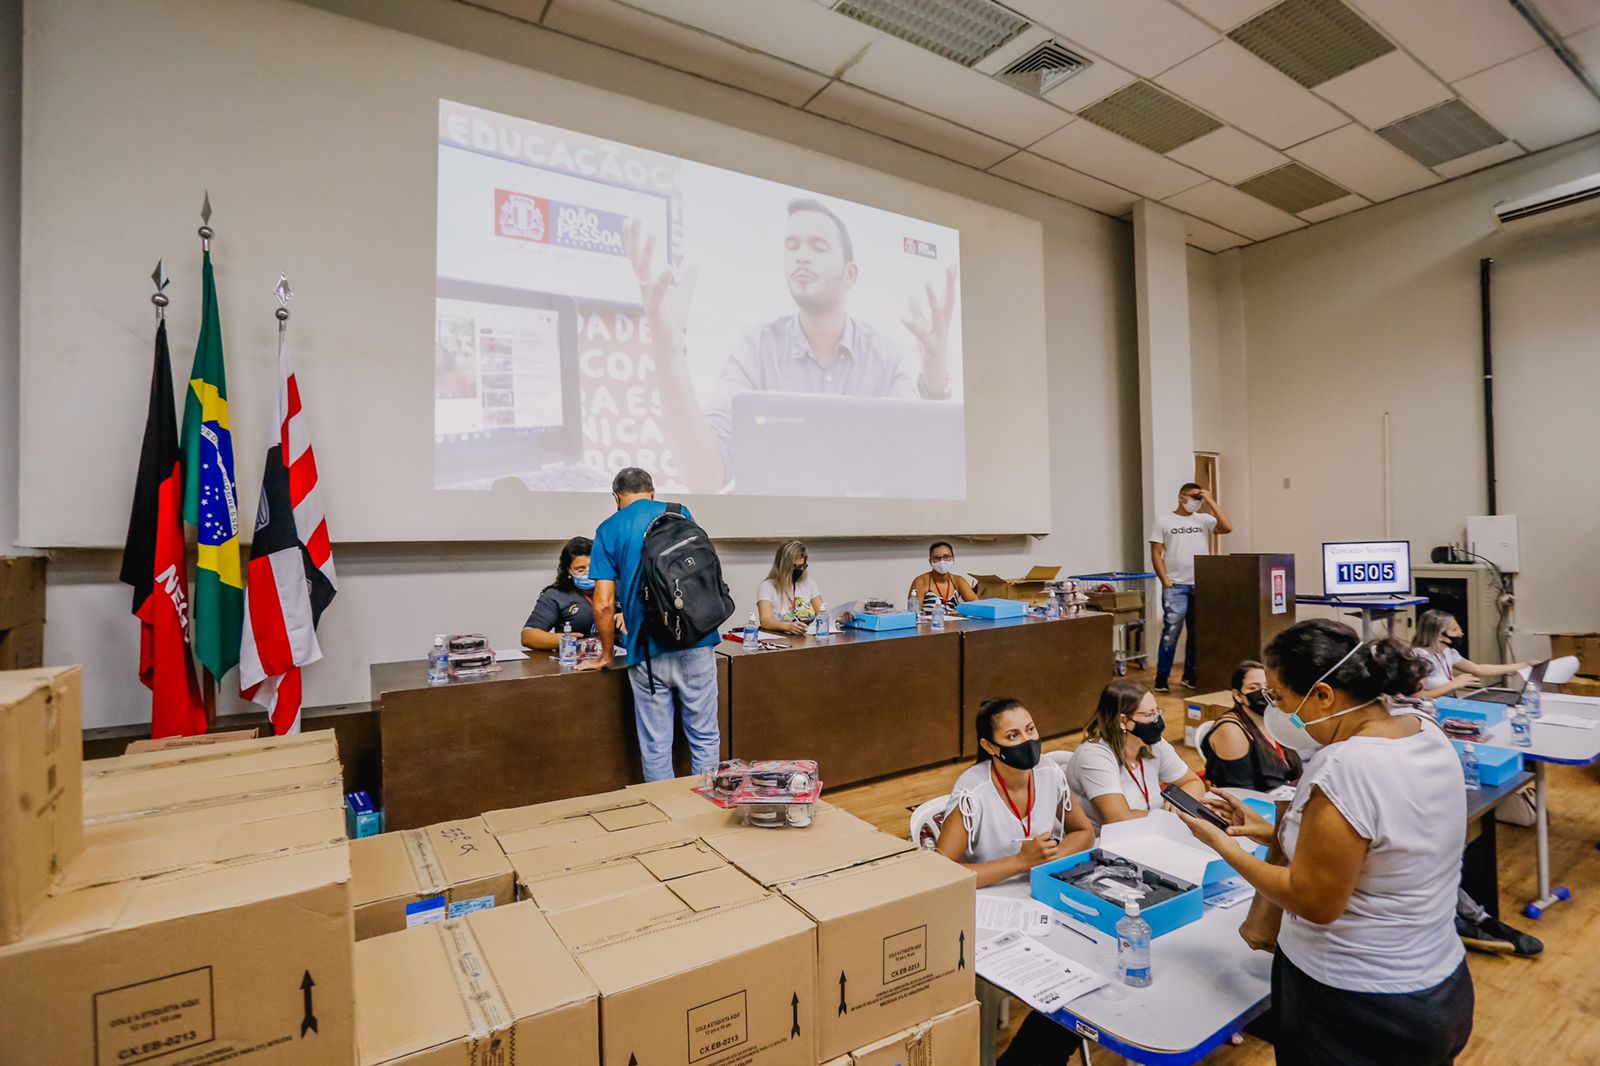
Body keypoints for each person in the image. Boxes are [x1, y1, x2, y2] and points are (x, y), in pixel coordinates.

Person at [1169, 620, 1474, 1065]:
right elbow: (1383, 845)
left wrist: (1222, 845)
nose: (1275, 709)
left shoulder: (1346, 765)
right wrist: (1270, 831)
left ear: (1324, 695)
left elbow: (1314, 900)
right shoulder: (1423, 730)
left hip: (1356, 1005)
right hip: (1437, 983)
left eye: (1279, 696)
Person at [625, 198, 958, 492]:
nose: (801, 257)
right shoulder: (756, 350)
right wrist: (669, 352)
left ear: (850, 274)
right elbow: (706, 477)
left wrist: (934, 374)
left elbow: (920, 463)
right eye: (792, 246)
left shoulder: (886, 357)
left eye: (818, 247)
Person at [935, 697, 1095, 1066]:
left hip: (1040, 898)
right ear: (990, 747)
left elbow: (1084, 832)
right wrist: (1020, 862)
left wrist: (1050, 856)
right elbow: (943, 872)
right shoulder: (974, 790)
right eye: (1013, 736)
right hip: (990, 911)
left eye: (1030, 730)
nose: (1027, 741)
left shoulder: (1050, 773)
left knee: (1083, 961)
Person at [579, 468, 721, 781]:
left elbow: (603, 603)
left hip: (646, 648)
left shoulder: (609, 528)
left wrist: (605, 654)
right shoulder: (679, 512)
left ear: (616, 497)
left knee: (657, 745)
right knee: (705, 736)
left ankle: (664, 810)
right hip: (697, 639)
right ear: (652, 492)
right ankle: (706, 806)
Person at [1064, 679, 1205, 832]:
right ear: (1123, 721)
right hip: (1109, 840)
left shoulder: (1152, 744)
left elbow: (1194, 782)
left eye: (1157, 712)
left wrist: (1180, 803)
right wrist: (1168, 816)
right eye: (1149, 714)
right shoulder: (1093, 756)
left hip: (1153, 831)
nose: (1157, 720)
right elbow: (1119, 819)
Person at [1149, 482, 1232, 693]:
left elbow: (1227, 527)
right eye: (1194, 497)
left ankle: (1190, 676)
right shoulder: (1164, 520)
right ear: (1181, 497)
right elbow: (1156, 553)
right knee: (1171, 632)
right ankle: (1162, 678)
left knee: (1196, 634)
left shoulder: (1203, 519)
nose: (1197, 501)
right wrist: (1164, 580)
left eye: (1200, 498)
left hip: (1200, 584)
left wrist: (1210, 500)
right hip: (1175, 586)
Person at [1201, 659, 1303, 791]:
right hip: (1253, 801)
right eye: (1253, 688)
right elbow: (1241, 791)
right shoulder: (1231, 731)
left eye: (1268, 687)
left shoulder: (1274, 721)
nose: (1263, 692)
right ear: (1238, 696)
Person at [519, 536, 621, 652]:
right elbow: (528, 636)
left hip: (620, 655)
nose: (590, 574)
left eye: (594, 568)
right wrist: (567, 640)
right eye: (580, 570)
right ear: (569, 571)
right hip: (576, 656)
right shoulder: (556, 595)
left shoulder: (620, 587)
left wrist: (629, 617)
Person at [1412, 609, 1532, 700]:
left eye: (1459, 628)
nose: (1460, 633)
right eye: (1454, 630)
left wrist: (1524, 665)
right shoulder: (1421, 658)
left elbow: (1478, 669)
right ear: (1439, 636)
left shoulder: (1448, 652)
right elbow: (1418, 696)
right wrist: (1453, 684)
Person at [756, 540, 823, 636]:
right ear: (783, 566)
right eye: (794, 567)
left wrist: (839, 619)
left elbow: (822, 613)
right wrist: (787, 626)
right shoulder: (767, 586)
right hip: (780, 638)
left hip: (806, 638)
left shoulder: (809, 582)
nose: (798, 571)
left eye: (801, 566)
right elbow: (765, 621)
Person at [908, 541, 978, 611]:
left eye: (946, 557)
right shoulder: (921, 581)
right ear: (930, 561)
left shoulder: (958, 580)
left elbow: (977, 606)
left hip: (954, 618)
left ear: (953, 558)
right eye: (936, 558)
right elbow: (914, 613)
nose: (942, 561)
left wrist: (962, 612)